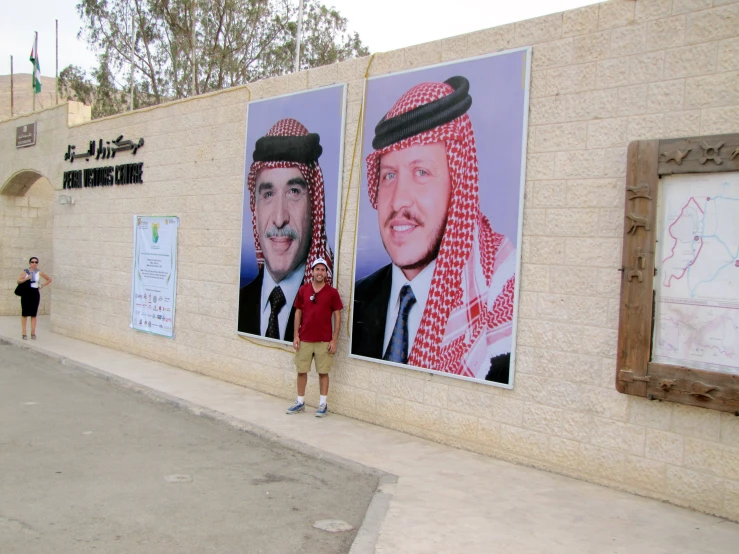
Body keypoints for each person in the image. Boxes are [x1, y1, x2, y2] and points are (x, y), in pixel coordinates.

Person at [351, 76, 517, 383]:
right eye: (388, 176)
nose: (399, 198)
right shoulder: (360, 297)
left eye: (421, 172)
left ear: (458, 183)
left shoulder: (498, 307)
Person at [238, 118, 334, 342]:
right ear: (255, 208)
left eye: (293, 191)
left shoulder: (326, 303)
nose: (280, 219)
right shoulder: (240, 301)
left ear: (314, 206)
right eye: (268, 195)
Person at [286, 258, 343, 417]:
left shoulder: (332, 292)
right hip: (304, 339)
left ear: (326, 273)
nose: (320, 272)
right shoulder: (304, 290)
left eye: (323, 270)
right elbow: (298, 312)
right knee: (301, 371)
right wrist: (296, 336)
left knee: (323, 372)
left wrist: (334, 339)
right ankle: (300, 402)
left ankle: (323, 404)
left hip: (324, 341)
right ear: (312, 271)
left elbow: (337, 315)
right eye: (317, 269)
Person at [17, 256, 52, 340]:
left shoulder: (39, 272)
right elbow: (18, 281)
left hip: (35, 292)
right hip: (26, 293)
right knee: (25, 313)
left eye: (36, 262)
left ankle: (33, 332)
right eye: (32, 262)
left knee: (33, 313)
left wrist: (42, 285)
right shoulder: (25, 272)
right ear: (30, 263)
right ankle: (24, 333)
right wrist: (26, 279)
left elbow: (49, 279)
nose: (34, 263)